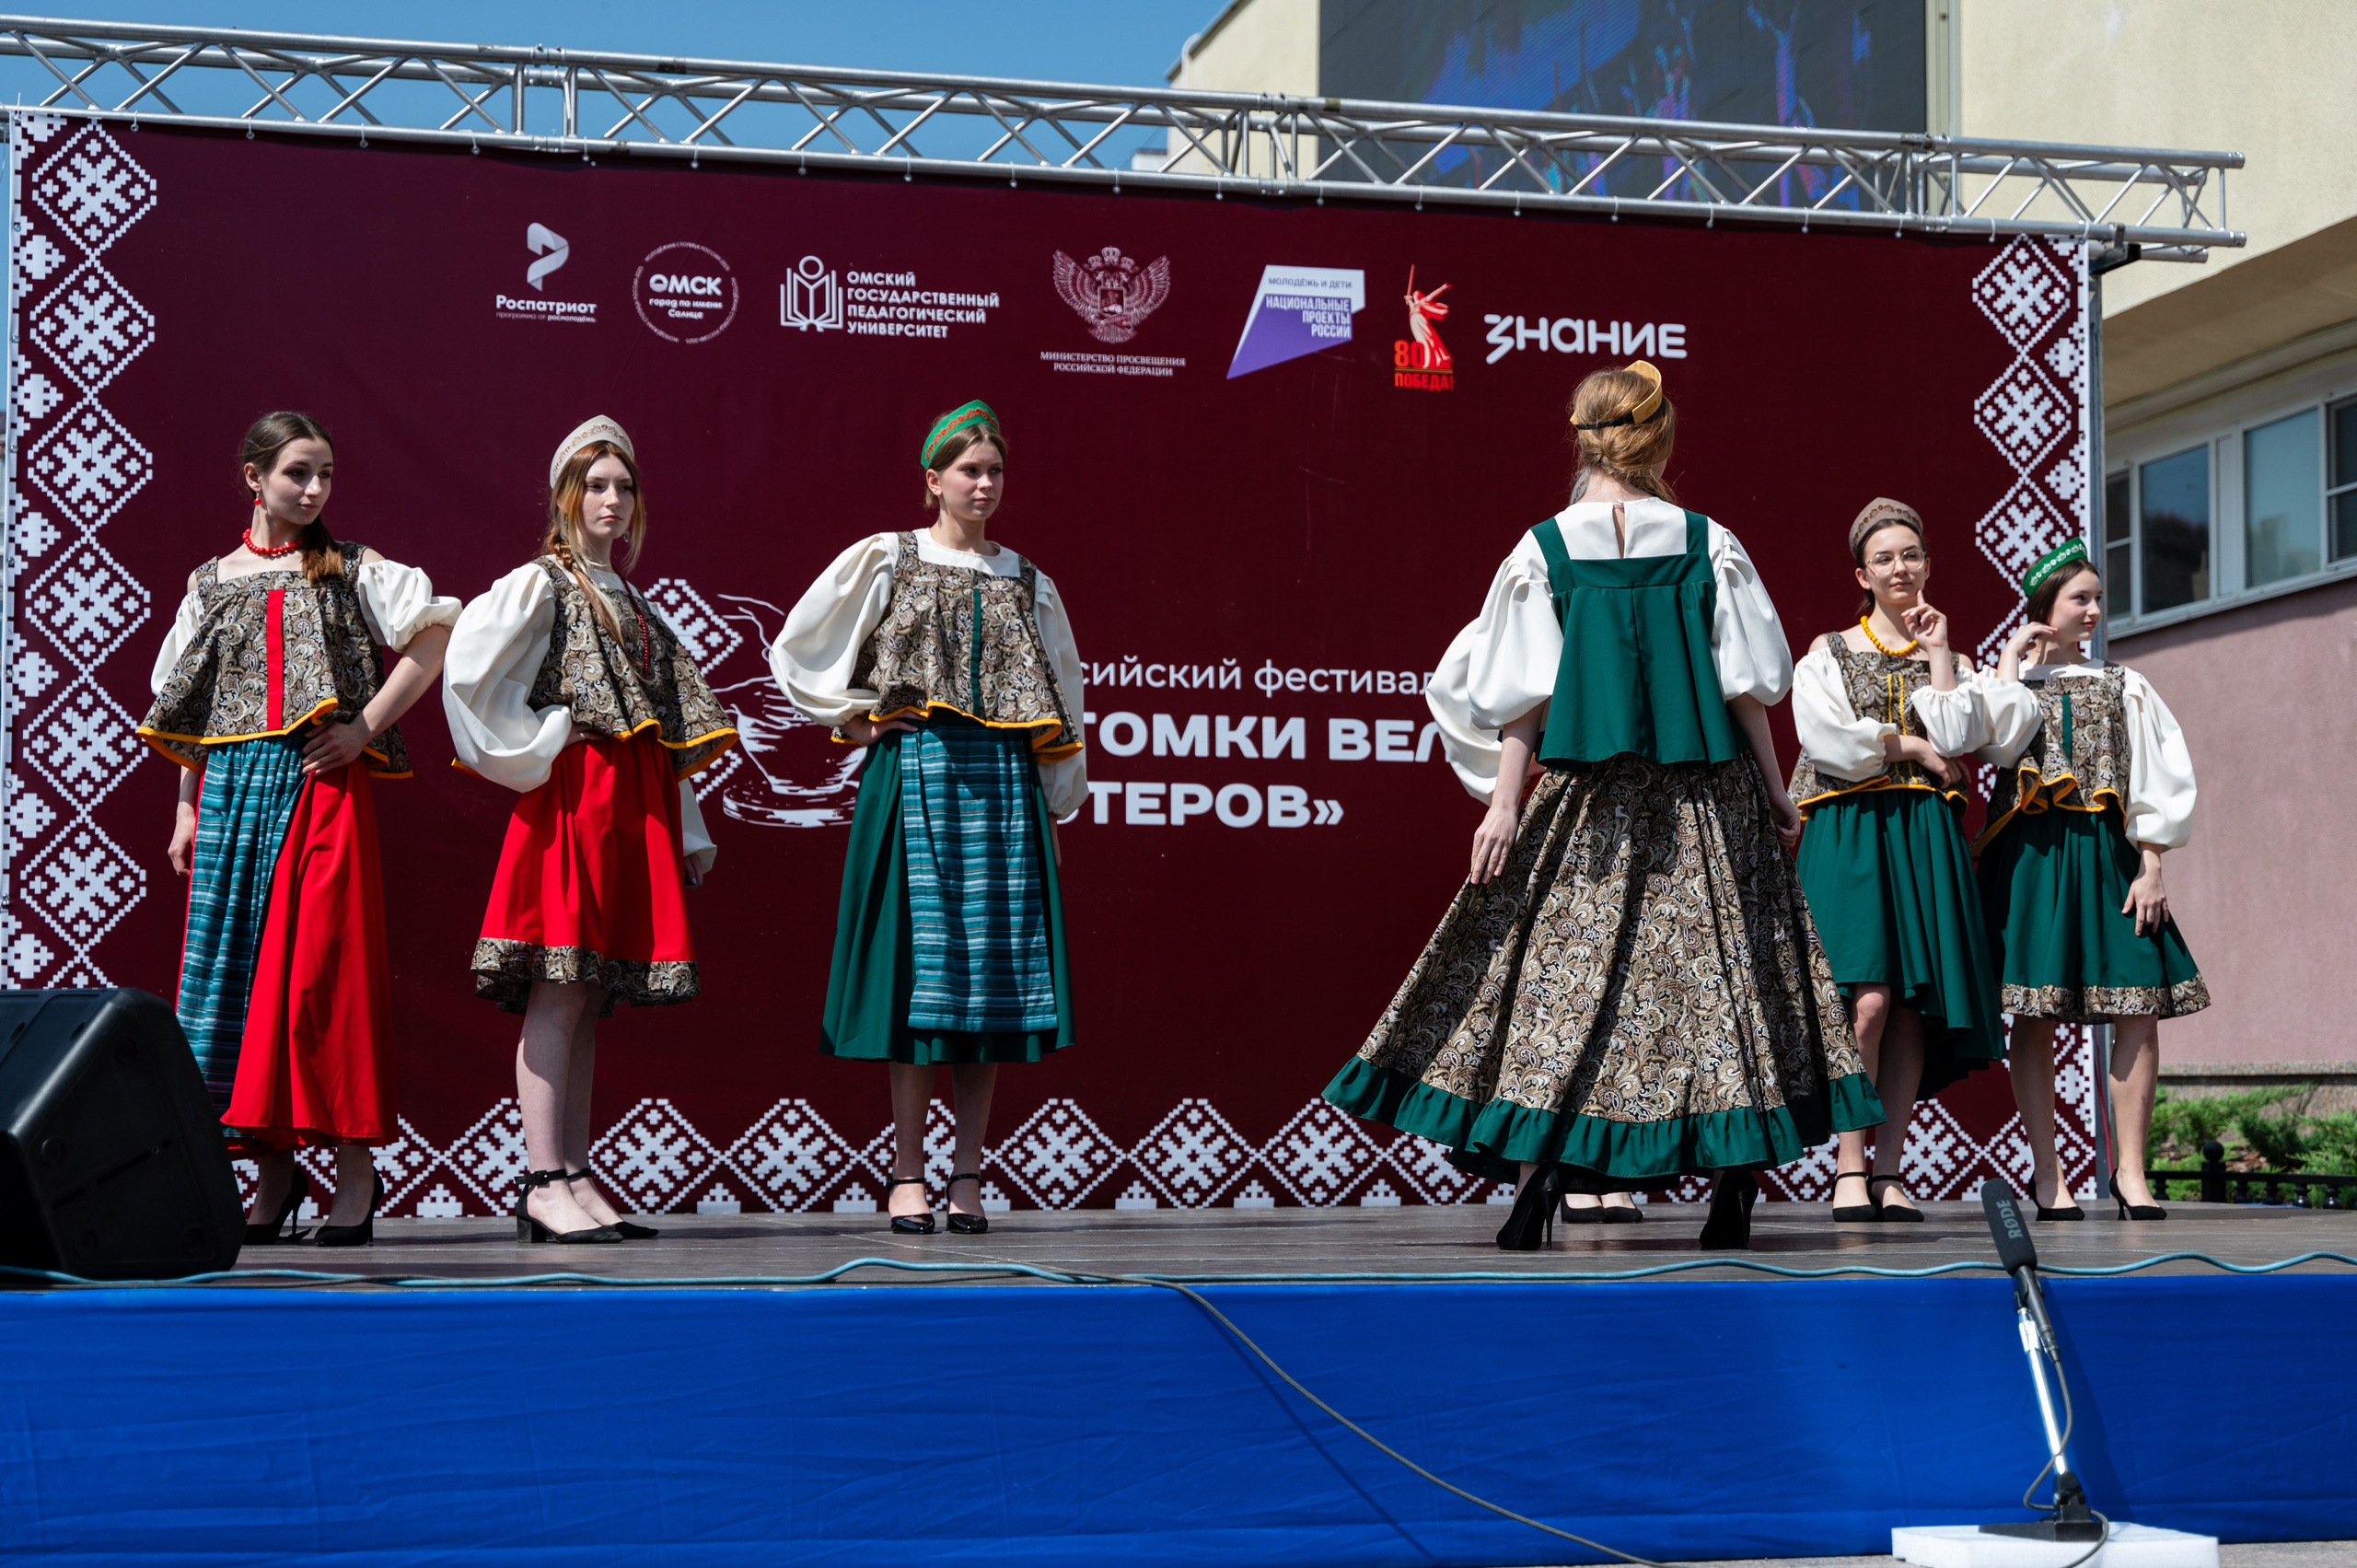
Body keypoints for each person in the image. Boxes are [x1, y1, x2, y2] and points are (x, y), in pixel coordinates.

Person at [1323, 363, 1879, 1251]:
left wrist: (1505, 804)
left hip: (1590, 804)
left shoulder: (1542, 549)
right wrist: (1778, 790)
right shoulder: (1709, 541)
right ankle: (1732, 1183)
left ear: (1584, 439)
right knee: (1725, 988)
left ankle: (1544, 1176)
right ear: (1658, 439)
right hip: (1706, 795)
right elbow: (1748, 688)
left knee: (1567, 989)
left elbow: (1520, 698)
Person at [139, 412, 457, 1248]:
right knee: (242, 981)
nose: (314, 490)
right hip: (234, 793)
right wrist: (185, 805)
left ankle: (356, 1172)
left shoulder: (351, 569)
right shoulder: (211, 582)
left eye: (324, 475)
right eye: (297, 474)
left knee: (322, 977)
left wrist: (362, 727)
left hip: (318, 791)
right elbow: (191, 705)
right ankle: (273, 1175)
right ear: (254, 477)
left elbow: (432, 637)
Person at [772, 401, 1085, 1237]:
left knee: (990, 989)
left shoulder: (1026, 578)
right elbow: (798, 647)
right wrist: (858, 719)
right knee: (919, 985)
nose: (983, 484)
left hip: (1006, 790)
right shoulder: (889, 559)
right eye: (968, 470)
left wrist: (1055, 805)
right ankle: (907, 1171)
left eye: (994, 471)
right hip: (915, 777)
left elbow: (1065, 698)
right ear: (933, 481)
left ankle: (969, 1173)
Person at [442, 416, 735, 1244]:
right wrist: (542, 741)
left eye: (624, 485)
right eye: (596, 485)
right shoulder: (546, 583)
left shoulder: (634, 602)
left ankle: (571, 1168)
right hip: (577, 798)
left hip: (630, 798)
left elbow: (660, 729)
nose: (612, 499)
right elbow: (470, 670)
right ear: (566, 496)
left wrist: (684, 826)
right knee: (558, 984)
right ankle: (540, 1178)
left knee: (591, 987)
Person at [1788, 499, 2023, 1223]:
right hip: (1852, 829)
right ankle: (1849, 1163)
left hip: (1924, 834)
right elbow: (1829, 738)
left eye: (1912, 554)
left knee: (1916, 1010)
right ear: (1863, 572)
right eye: (1885, 557)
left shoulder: (1951, 658)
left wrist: (1941, 655)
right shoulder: (1828, 651)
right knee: (1867, 1002)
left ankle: (1889, 1169)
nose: (1901, 567)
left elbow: (1965, 733)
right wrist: (1913, 747)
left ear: (1928, 564)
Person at [1980, 540, 2204, 1222]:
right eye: (2081, 598)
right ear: (2045, 608)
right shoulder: (2011, 684)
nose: (2095, 611)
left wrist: (2154, 862)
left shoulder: (2124, 683)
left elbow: (2160, 775)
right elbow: (1991, 743)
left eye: (2097, 598)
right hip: (2035, 859)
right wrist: (2012, 662)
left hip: (2108, 854)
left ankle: (2130, 1174)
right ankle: (2050, 1178)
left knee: (2137, 1004)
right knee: (2036, 1011)